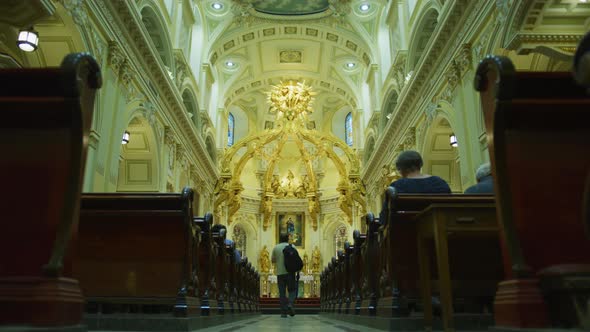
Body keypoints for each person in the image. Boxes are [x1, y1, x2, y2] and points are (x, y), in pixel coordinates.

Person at [271, 232, 297, 318]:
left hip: (280, 273)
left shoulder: (276, 247)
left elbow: (273, 260)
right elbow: (296, 260)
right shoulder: (292, 247)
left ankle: (283, 312)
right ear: (287, 239)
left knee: (282, 293)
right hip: (290, 272)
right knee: (292, 290)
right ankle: (290, 304)